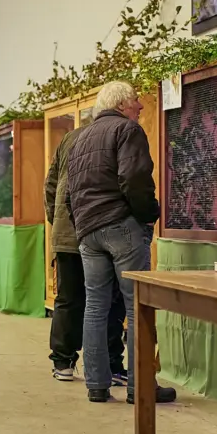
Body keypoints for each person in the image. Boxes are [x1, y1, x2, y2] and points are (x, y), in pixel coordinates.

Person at [65, 81, 175, 405]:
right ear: (123, 104)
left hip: (88, 231)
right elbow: (135, 178)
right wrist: (148, 215)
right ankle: (139, 388)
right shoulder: (127, 130)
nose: (141, 107)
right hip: (122, 225)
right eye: (137, 101)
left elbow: (70, 191)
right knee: (137, 307)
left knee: (95, 307)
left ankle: (97, 385)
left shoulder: (79, 139)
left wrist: (82, 226)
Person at [44, 116, 128, 385]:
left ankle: (63, 360)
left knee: (70, 298)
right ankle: (111, 363)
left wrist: (56, 220)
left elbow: (51, 184)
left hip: (69, 232)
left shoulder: (70, 138)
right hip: (102, 230)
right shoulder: (117, 135)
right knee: (109, 300)